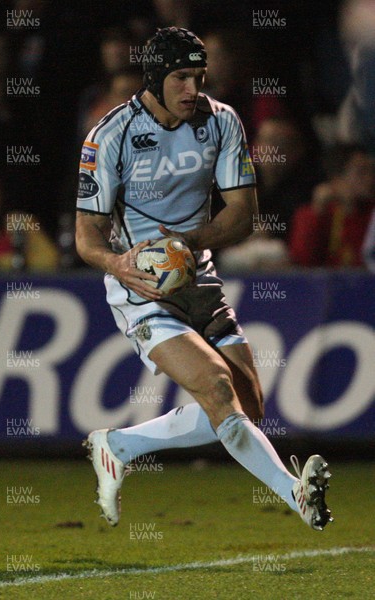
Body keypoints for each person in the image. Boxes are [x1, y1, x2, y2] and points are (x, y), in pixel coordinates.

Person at [75, 27, 333, 531]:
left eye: (199, 76)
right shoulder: (110, 135)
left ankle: (118, 445)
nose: (193, 88)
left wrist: (187, 244)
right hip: (141, 289)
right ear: (155, 78)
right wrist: (120, 265)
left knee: (247, 405)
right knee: (217, 389)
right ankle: (296, 493)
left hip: (198, 277)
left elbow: (242, 213)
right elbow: (88, 236)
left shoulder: (222, 122)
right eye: (181, 78)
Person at [289, 144, 375, 267]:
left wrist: (352, 213)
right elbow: (302, 261)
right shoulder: (313, 214)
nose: (371, 178)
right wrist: (318, 212)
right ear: (337, 179)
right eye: (361, 172)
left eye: (372, 171)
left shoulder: (371, 215)